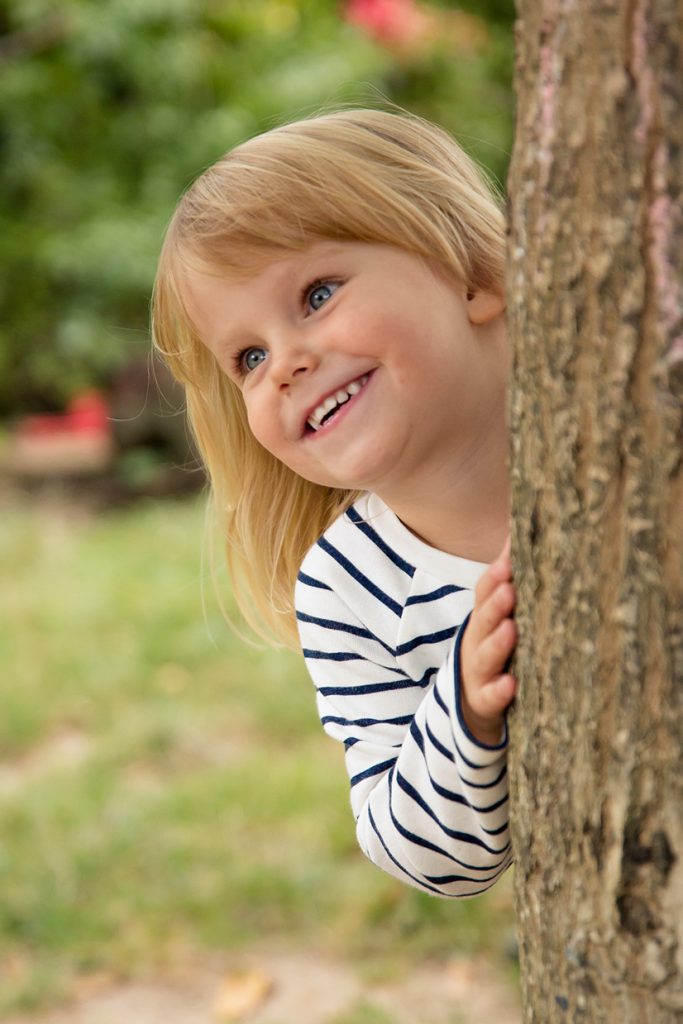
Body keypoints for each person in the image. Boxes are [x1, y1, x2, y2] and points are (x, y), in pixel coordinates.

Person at [152, 108, 517, 898]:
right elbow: (427, 859)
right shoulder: (348, 589)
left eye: (316, 294)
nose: (283, 362)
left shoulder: (629, 414)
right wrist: (463, 707)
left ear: (473, 277)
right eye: (247, 356)